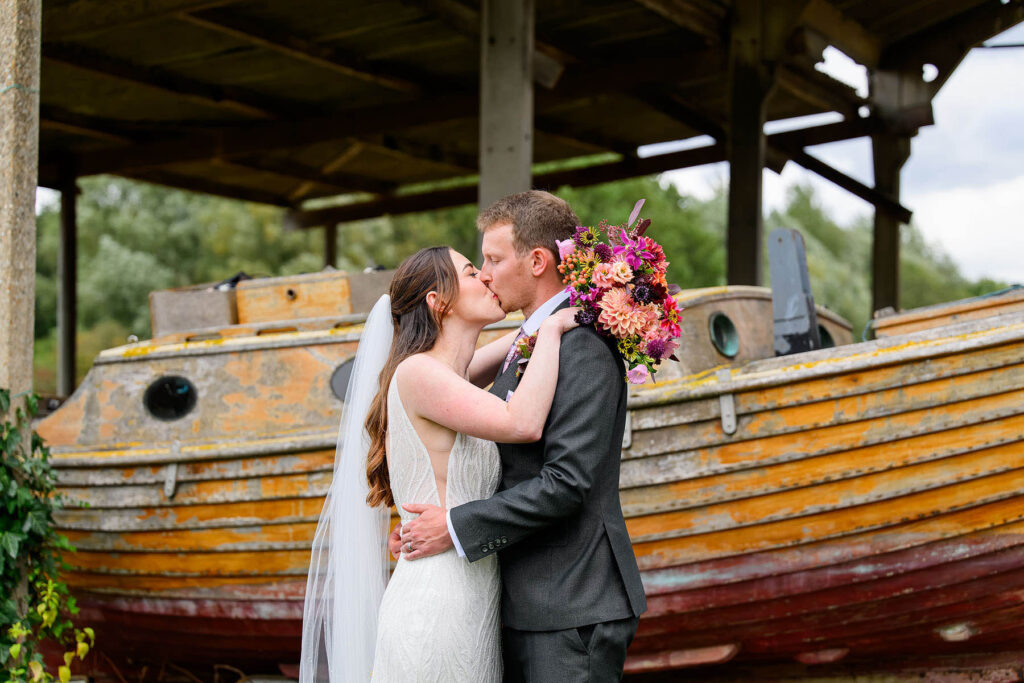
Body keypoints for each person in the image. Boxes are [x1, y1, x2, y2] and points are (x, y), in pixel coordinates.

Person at [396, 190, 648, 682]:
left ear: (537, 261)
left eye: (492, 258)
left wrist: (455, 525)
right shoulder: (534, 339)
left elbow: (567, 482)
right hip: (530, 599)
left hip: (571, 601)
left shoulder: (582, 343)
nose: (485, 273)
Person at [299, 244, 578, 683]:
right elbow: (523, 423)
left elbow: (526, 332)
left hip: (470, 599)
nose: (486, 277)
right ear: (439, 301)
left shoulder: (448, 378)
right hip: (437, 604)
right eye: (471, 271)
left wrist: (578, 297)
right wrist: (558, 328)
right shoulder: (419, 375)